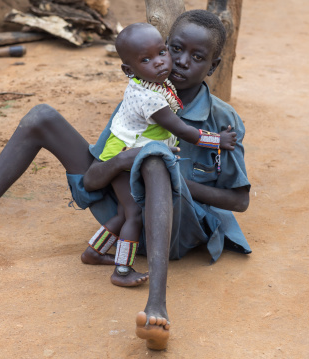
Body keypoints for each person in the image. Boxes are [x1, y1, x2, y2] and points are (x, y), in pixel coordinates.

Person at [0, 9, 251, 351]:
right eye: (175, 49)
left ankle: (156, 304)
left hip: (176, 231)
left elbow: (239, 202)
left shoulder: (222, 120)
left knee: (154, 158)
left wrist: (165, 176)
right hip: (124, 213)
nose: (181, 61)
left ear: (213, 66)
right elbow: (95, 180)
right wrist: (126, 160)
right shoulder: (141, 98)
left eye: (197, 56)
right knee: (41, 117)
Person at [81, 22, 236, 287]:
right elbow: (185, 131)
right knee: (134, 214)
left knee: (123, 211)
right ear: (129, 70)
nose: (161, 63)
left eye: (162, 52)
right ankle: (121, 270)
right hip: (121, 157)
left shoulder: (152, 84)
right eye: (146, 59)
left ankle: (93, 252)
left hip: (123, 150)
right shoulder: (150, 98)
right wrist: (217, 140)